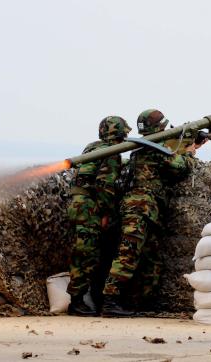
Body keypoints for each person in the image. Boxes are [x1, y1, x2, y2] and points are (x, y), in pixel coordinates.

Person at [101, 109, 203, 317]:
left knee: (151, 259)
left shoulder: (141, 149)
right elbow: (180, 168)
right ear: (158, 128)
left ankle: (141, 303)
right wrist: (190, 154)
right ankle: (110, 301)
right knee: (128, 253)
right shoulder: (154, 150)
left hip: (148, 210)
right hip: (140, 209)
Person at [66, 116, 131, 316]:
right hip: (90, 208)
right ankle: (76, 303)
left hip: (77, 205)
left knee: (81, 252)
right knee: (87, 254)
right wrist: (105, 213)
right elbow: (105, 185)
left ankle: (79, 300)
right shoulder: (111, 154)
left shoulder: (92, 148)